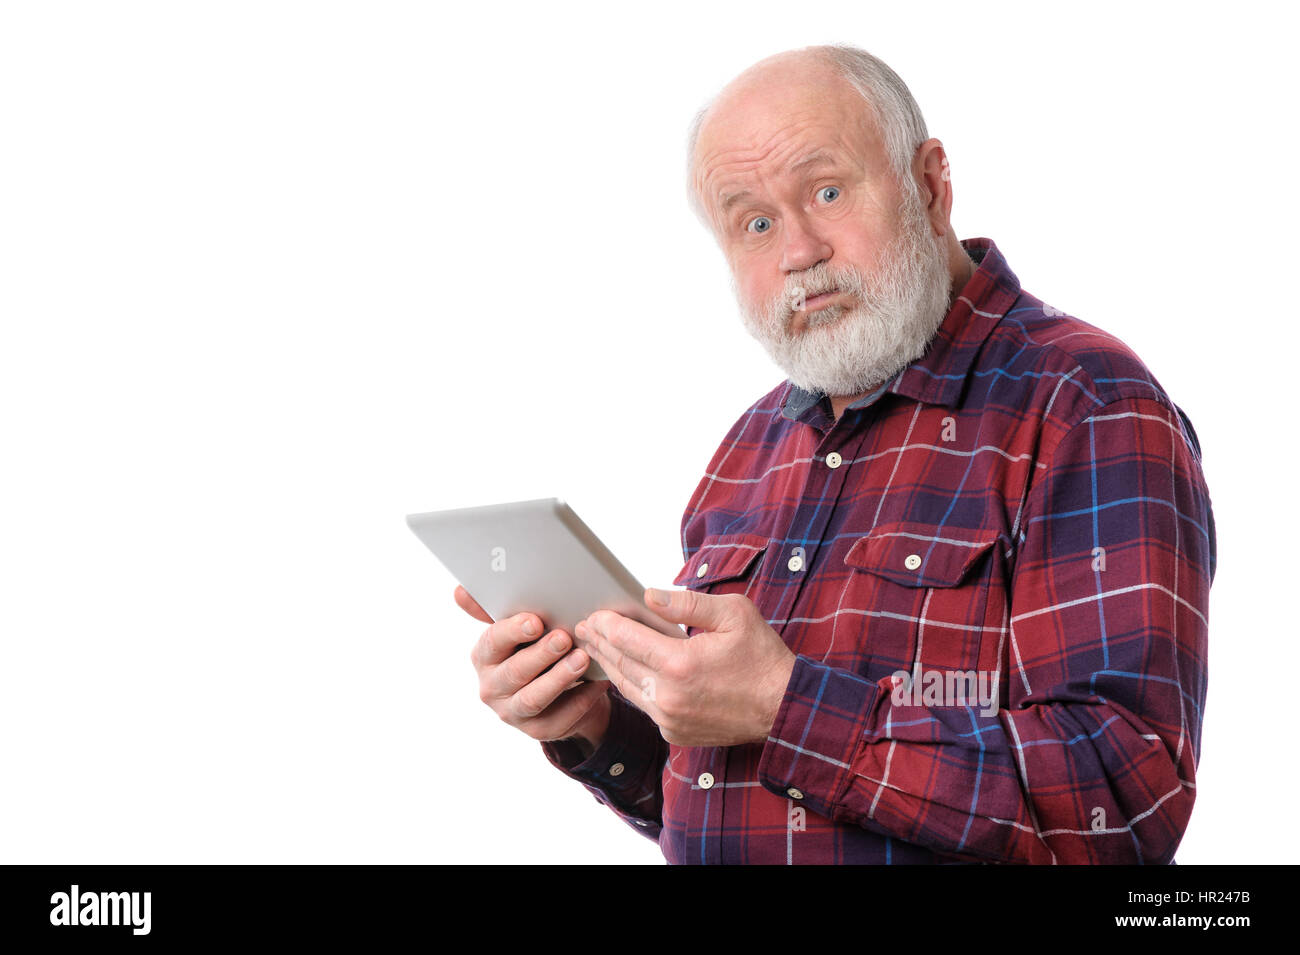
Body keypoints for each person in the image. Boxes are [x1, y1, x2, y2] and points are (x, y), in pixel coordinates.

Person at [457, 44, 1215, 864]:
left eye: (826, 191)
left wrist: (785, 704)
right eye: (754, 222)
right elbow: (724, 798)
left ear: (928, 185)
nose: (798, 251)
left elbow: (1124, 796)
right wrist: (596, 725)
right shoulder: (748, 449)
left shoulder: (1085, 404)